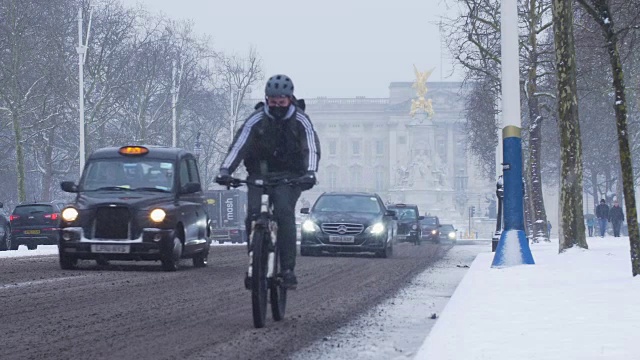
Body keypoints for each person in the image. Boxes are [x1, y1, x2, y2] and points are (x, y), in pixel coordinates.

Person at [215, 74, 320, 290]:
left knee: (283, 212)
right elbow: (239, 145)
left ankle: (288, 269)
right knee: (253, 214)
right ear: (266, 100)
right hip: (259, 174)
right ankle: (255, 260)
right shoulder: (256, 119)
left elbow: (310, 147)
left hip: (290, 176)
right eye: (273, 102)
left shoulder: (301, 120)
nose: (277, 106)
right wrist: (226, 170)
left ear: (290, 100)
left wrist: (310, 172)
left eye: (281, 102)